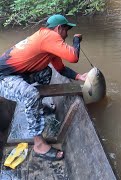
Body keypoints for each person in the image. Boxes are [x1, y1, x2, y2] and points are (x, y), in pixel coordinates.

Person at [0, 14, 87, 161]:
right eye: (67, 30)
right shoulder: (49, 36)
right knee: (31, 94)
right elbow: (73, 56)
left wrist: (79, 77)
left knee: (46, 73)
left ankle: (38, 107)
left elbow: (61, 69)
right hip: (3, 78)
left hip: (18, 75)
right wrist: (76, 40)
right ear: (59, 28)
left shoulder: (48, 43)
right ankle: (39, 144)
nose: (67, 35)